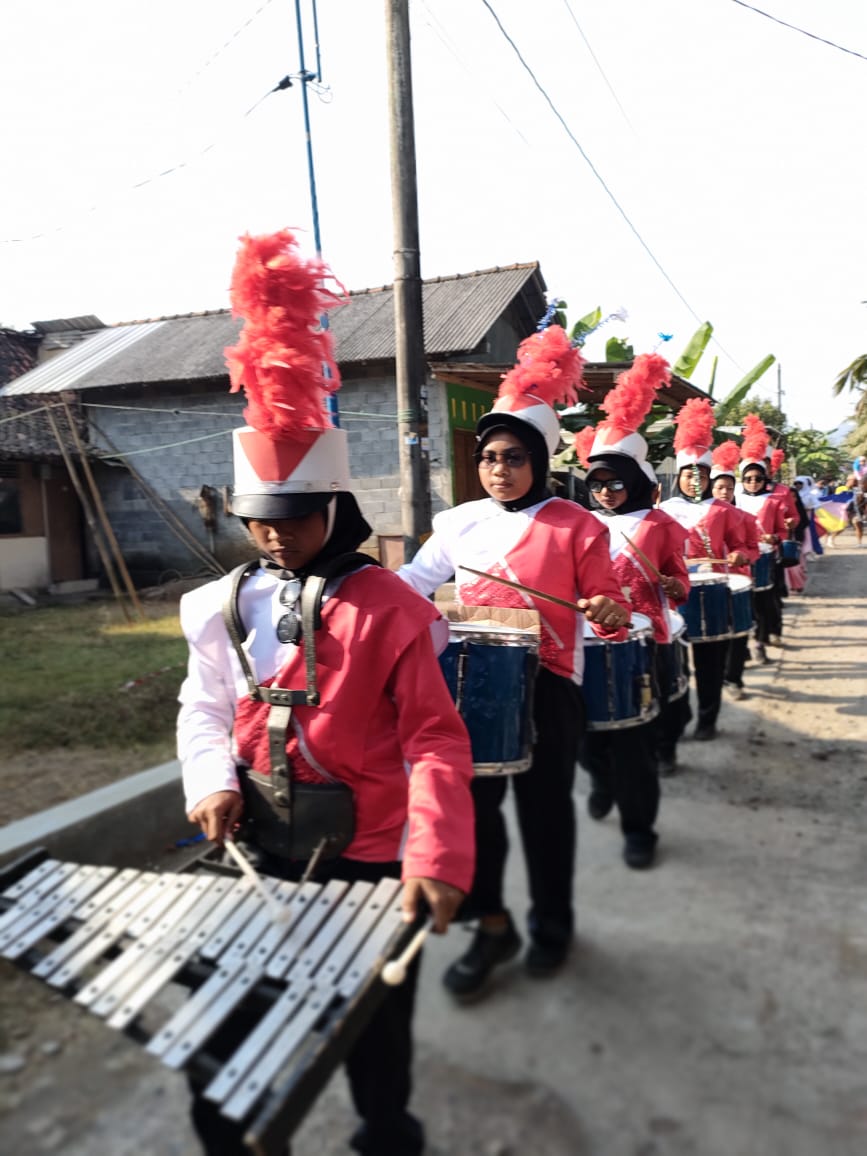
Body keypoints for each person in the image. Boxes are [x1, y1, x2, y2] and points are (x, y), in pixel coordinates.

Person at [177, 229, 476, 1156]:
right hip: (262, 838)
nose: (274, 538)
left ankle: (385, 1132)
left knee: (371, 1032)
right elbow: (206, 707)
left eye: (293, 520)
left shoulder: (390, 607)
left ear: (335, 508)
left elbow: (434, 739)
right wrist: (208, 780)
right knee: (227, 1039)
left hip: (372, 852)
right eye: (259, 522)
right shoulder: (218, 604)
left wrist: (437, 857)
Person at [398, 323, 630, 1000]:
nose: (499, 468)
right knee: (472, 813)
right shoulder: (457, 524)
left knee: (544, 814)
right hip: (470, 684)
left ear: (540, 460)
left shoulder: (577, 524)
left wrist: (608, 608)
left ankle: (552, 924)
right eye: (490, 455)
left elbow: (604, 594)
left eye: (514, 457)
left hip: (549, 687)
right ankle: (491, 924)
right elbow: (413, 583)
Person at [573, 352, 690, 863]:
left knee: (635, 744)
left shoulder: (662, 526)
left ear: (637, 481)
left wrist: (671, 583)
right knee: (585, 740)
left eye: (615, 482)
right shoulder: (579, 524)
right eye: (596, 483)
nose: (604, 492)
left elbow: (682, 586)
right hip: (586, 643)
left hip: (646, 641)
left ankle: (639, 829)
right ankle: (600, 782)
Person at [659, 399, 756, 741]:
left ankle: (708, 718)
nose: (695, 480)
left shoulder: (725, 510)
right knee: (676, 664)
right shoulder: (663, 511)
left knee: (709, 662)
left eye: (701, 474)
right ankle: (681, 714)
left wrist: (741, 556)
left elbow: (748, 544)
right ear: (679, 476)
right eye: (689, 474)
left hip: (713, 589)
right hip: (674, 596)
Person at [710, 441, 760, 699]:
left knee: (738, 633)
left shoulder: (745, 518)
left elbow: (754, 550)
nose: (724, 492)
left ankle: (734, 679)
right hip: (711, 583)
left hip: (739, 582)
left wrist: (743, 556)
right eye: (719, 487)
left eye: (729, 487)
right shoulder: (699, 516)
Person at [737, 416, 789, 660]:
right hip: (740, 563)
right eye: (748, 478)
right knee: (742, 606)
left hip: (766, 561)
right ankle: (744, 647)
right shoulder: (733, 503)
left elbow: (783, 531)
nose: (753, 482)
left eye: (758, 478)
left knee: (765, 604)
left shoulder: (774, 501)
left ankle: (760, 642)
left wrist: (775, 539)